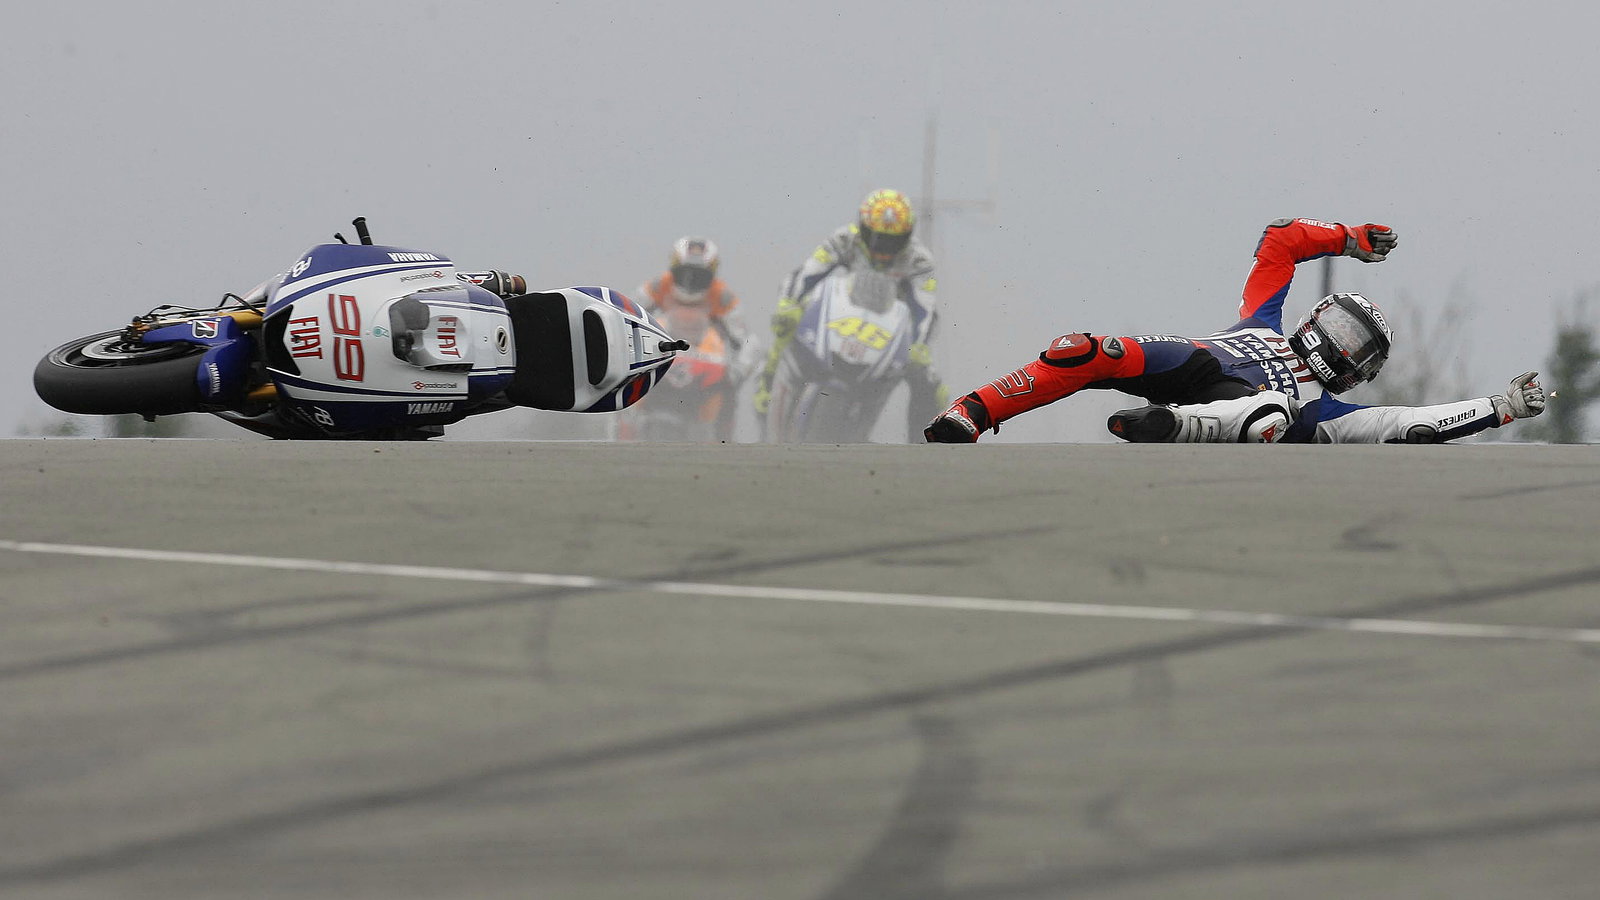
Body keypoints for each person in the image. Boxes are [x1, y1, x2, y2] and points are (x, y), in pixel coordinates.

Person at [924, 217, 1546, 444]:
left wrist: (1499, 408)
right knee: (1086, 349)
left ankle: (1172, 430)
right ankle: (968, 414)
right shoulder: (1264, 319)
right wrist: (1347, 240)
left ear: (1361, 372)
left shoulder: (1329, 412)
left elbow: (1410, 423)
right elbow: (1279, 238)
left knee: (1276, 411)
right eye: (1339, 326)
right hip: (1195, 363)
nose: (1338, 343)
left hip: (1253, 414)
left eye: (1355, 347)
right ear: (1315, 317)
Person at [754, 188, 950, 441]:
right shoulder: (845, 239)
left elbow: (925, 308)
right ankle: (766, 390)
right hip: (842, 314)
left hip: (890, 329)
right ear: (863, 228)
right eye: (876, 238)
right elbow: (808, 272)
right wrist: (788, 305)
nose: (884, 248)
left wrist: (919, 346)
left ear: (907, 236)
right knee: (785, 331)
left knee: (929, 382)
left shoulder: (919, 260)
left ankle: (923, 445)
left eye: (894, 240)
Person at [631, 236, 758, 440]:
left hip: (705, 359)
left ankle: (722, 441)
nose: (690, 281)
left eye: (699, 275)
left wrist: (738, 371)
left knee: (728, 390)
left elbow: (747, 340)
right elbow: (627, 313)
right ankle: (624, 429)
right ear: (674, 268)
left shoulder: (723, 296)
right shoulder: (658, 285)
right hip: (661, 351)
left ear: (712, 274)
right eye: (684, 273)